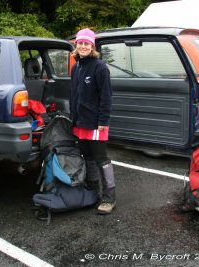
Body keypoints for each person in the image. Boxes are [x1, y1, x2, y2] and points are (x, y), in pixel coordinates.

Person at [70, 28, 116, 214]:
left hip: (97, 123)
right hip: (80, 122)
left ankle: (109, 198)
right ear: (76, 45)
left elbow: (106, 97)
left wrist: (103, 120)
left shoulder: (100, 67)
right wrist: (73, 119)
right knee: (87, 158)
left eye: (86, 43)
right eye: (80, 43)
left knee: (101, 159)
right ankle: (92, 192)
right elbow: (74, 96)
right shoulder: (76, 67)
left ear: (92, 46)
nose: (83, 46)